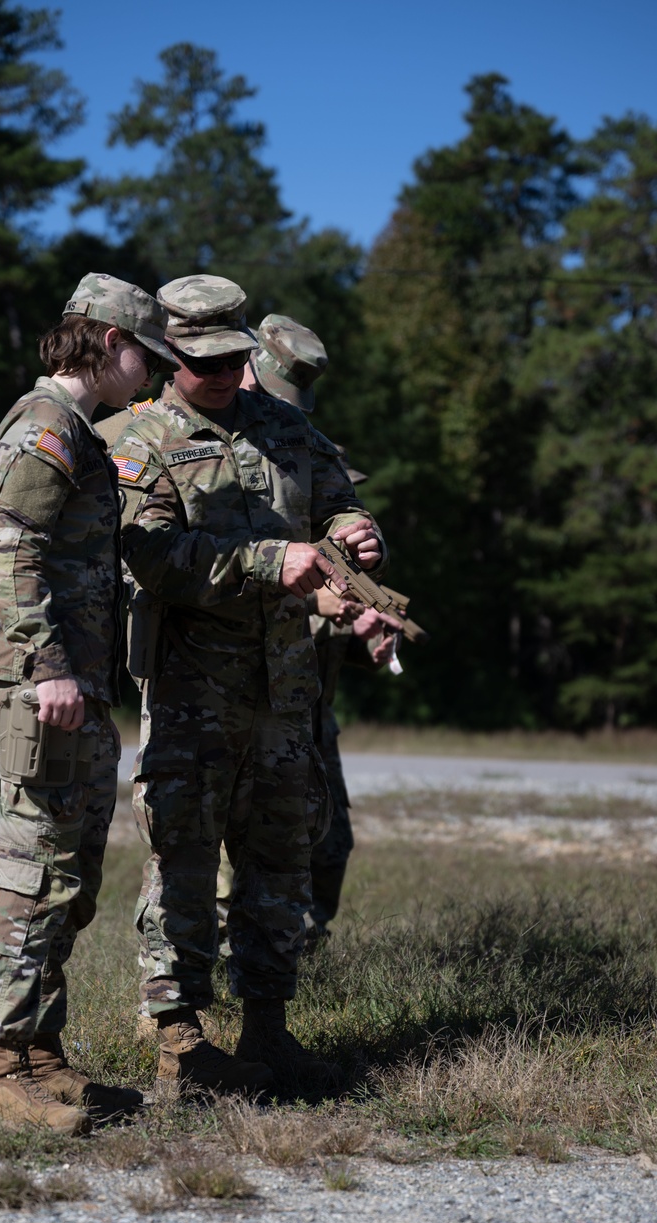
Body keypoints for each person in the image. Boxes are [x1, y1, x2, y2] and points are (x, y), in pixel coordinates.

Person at [112, 275, 388, 1094]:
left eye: (234, 358)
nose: (224, 375)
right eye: (204, 362)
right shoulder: (138, 438)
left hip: (287, 689)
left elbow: (333, 509)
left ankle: (269, 1028)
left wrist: (355, 534)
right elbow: (151, 556)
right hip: (195, 688)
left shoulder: (288, 428)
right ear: (170, 354)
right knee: (184, 858)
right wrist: (273, 559)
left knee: (280, 860)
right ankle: (180, 1041)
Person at [0, 273, 178, 1134]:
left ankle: (42, 1060)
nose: (153, 375)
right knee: (30, 870)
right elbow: (11, 551)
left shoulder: (78, 431)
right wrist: (49, 664)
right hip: (38, 686)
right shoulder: (44, 427)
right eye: (146, 356)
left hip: (77, 689)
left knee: (70, 876)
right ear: (109, 342)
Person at [235, 315, 402, 947]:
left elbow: (357, 544)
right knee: (225, 853)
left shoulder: (307, 459)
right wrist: (320, 608)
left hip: (305, 699)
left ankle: (298, 954)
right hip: (236, 687)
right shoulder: (218, 456)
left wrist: (362, 625)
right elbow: (220, 574)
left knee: (321, 842)